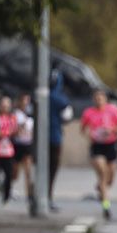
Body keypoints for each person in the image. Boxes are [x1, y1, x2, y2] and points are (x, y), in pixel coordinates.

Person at [80, 89, 117, 220]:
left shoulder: (113, 110)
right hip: (97, 146)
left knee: (109, 179)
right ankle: (106, 206)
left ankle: (101, 186)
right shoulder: (88, 112)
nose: (99, 101)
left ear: (105, 99)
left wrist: (112, 130)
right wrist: (90, 135)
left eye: (101, 98)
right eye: (96, 99)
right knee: (102, 172)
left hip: (111, 145)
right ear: (93, 100)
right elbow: (83, 129)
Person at [47, 71, 71, 212]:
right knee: (52, 168)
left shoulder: (39, 95)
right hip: (55, 136)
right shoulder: (61, 99)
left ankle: (35, 194)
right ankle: (48, 196)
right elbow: (67, 117)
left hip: (38, 138)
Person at [0, 96, 18, 204]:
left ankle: (6, 195)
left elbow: (15, 132)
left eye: (7, 106)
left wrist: (9, 132)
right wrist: (4, 133)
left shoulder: (12, 118)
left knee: (9, 174)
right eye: (3, 106)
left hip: (8, 151)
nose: (5, 108)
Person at [14, 94, 36, 212]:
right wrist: (19, 128)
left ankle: (29, 194)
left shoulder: (31, 116)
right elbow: (14, 129)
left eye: (28, 101)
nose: (26, 103)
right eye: (24, 100)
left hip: (27, 144)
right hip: (17, 145)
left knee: (28, 171)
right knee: (15, 172)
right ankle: (7, 186)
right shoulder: (16, 114)